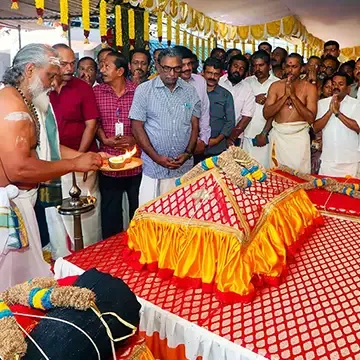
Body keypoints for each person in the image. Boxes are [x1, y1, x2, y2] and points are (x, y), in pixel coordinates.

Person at [0, 43, 102, 291]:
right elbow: (19, 169)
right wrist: (74, 163)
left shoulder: (28, 102)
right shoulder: (12, 106)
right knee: (14, 287)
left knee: (24, 283)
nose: (53, 83)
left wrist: (82, 157)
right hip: (11, 205)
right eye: (49, 75)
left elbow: (47, 148)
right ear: (30, 70)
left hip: (24, 202)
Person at [130, 48, 200, 205]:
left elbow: (195, 125)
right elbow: (137, 127)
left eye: (176, 69)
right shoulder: (144, 90)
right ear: (158, 67)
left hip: (184, 168)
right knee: (152, 217)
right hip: (155, 170)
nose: (172, 74)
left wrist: (188, 153)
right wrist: (157, 158)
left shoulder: (190, 91)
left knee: (181, 217)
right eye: (167, 68)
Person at [50, 43, 102, 246]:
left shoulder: (82, 88)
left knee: (85, 212)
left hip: (83, 159)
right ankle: (61, 257)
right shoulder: (43, 90)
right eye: (64, 64)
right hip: (51, 161)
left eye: (73, 63)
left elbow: (91, 125)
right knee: (55, 212)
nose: (70, 69)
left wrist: (79, 157)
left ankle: (89, 255)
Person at [94, 51, 141, 239]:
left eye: (107, 66)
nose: (102, 70)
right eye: (102, 65)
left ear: (120, 71)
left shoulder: (138, 92)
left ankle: (138, 247)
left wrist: (135, 140)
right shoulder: (96, 92)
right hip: (108, 161)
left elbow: (148, 122)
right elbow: (93, 121)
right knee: (110, 212)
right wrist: (104, 138)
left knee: (137, 210)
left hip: (135, 162)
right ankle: (109, 251)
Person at [263, 53, 318, 173]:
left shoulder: (310, 88)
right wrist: (284, 97)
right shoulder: (275, 86)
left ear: (302, 68)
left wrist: (293, 96)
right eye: (288, 66)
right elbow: (266, 114)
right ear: (284, 67)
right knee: (277, 177)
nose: (290, 70)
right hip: (278, 136)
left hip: (299, 138)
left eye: (294, 67)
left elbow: (311, 118)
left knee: (299, 177)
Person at [313, 72, 360, 177]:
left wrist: (338, 113)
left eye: (340, 84)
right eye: (334, 84)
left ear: (348, 88)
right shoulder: (322, 103)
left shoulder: (356, 104)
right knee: (325, 192)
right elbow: (316, 128)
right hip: (328, 159)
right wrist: (330, 111)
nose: (336, 87)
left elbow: (357, 127)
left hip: (350, 161)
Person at [243, 50, 279, 168]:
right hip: (247, 134)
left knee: (266, 171)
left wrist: (264, 133)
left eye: (261, 65)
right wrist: (253, 98)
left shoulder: (278, 84)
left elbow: (278, 112)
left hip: (268, 136)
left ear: (269, 66)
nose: (257, 69)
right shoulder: (247, 82)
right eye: (254, 66)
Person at [173, 46, 211, 157]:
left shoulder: (200, 81)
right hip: (173, 144)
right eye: (183, 65)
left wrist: (203, 139)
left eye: (189, 64)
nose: (187, 68)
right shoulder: (168, 84)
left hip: (196, 143)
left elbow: (204, 111)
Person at [202, 57, 235, 159]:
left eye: (216, 74)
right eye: (209, 73)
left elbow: (230, 121)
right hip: (194, 147)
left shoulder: (226, 95)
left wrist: (217, 140)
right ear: (203, 73)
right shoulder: (194, 92)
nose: (212, 77)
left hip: (217, 147)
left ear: (220, 75)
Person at [219, 54, 255, 147]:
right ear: (229, 66)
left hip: (234, 137)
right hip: (213, 135)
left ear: (246, 72)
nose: (237, 70)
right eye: (235, 66)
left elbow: (246, 117)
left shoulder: (248, 89)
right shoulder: (218, 82)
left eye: (242, 68)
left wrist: (231, 138)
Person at [310, 77, 333, 174]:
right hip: (317, 146)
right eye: (327, 87)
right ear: (322, 88)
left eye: (333, 87)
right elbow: (312, 128)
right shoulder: (316, 105)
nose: (330, 90)